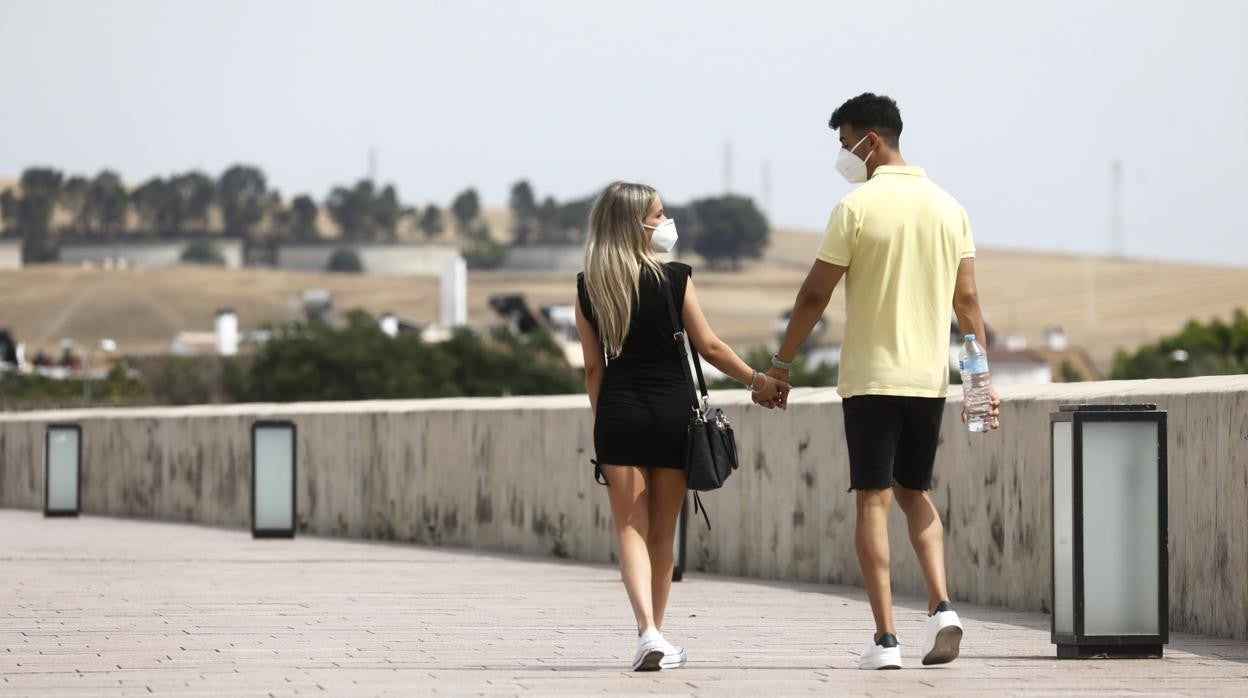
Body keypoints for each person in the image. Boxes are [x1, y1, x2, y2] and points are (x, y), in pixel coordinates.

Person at [763, 93, 1000, 670]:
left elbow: (814, 294)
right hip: (928, 381)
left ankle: (887, 640)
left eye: (846, 142)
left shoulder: (856, 207)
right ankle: (943, 608)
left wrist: (781, 365)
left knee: (873, 498)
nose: (845, 154)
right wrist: (978, 383)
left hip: (872, 379)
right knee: (915, 493)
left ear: (871, 138)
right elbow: (967, 305)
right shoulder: (950, 207)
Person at [575, 181, 789, 671]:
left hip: (619, 412)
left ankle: (646, 633)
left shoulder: (590, 285)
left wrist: (605, 420)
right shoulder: (674, 278)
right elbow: (709, 347)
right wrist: (759, 381)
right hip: (674, 412)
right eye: (658, 213)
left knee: (629, 527)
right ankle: (659, 635)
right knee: (662, 534)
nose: (665, 221)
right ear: (637, 224)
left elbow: (593, 369)